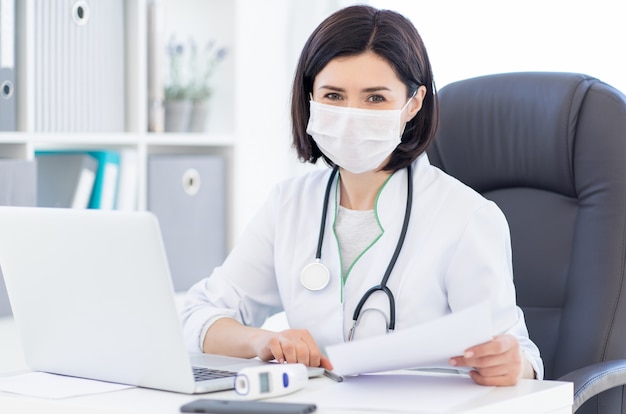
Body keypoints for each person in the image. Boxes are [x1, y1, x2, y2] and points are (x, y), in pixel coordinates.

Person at [181, 4, 543, 386]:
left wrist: (512, 364)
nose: (352, 115)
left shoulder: (466, 216)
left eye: (375, 99)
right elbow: (198, 316)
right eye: (334, 96)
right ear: (310, 98)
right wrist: (264, 341)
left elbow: (520, 357)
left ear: (413, 104)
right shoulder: (288, 205)